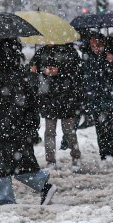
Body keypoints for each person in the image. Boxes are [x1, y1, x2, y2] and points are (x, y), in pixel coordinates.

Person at [0, 39, 55, 207]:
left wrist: (6, 125)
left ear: (4, 52)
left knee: (1, 165)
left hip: (7, 128)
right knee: (15, 164)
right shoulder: (10, 72)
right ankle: (42, 184)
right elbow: (9, 99)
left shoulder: (10, 74)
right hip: (9, 127)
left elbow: (16, 102)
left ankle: (4, 203)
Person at [30, 41, 84, 170]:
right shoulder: (41, 52)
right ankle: (51, 161)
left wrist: (60, 72)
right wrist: (38, 71)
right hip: (48, 98)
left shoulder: (70, 52)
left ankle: (76, 157)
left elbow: (77, 73)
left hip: (67, 97)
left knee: (68, 132)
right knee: (49, 131)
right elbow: (32, 69)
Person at [81, 32, 113, 161]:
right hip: (94, 97)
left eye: (99, 45)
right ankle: (106, 153)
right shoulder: (88, 57)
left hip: (108, 96)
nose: (96, 48)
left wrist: (112, 62)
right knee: (100, 126)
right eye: (93, 45)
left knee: (107, 123)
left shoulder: (111, 55)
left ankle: (112, 151)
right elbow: (84, 76)